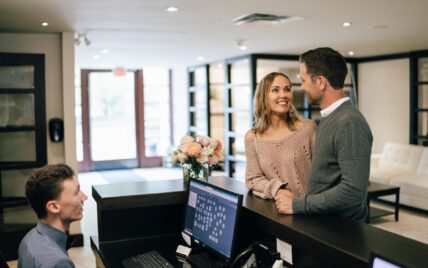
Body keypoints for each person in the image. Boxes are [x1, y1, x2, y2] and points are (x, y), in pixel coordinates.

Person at [275, 47, 373, 221]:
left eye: (303, 80)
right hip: (323, 225)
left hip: (341, 234)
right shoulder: (331, 118)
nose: (302, 87)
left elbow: (353, 192)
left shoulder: (350, 122)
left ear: (320, 82)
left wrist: (298, 205)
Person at [245, 72, 317, 201]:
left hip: (309, 211)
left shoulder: (308, 129)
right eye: (275, 90)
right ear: (264, 96)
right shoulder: (252, 137)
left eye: (287, 89)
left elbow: (324, 172)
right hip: (275, 212)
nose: (283, 95)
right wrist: (276, 190)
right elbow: (253, 179)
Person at [18, 164, 88, 268]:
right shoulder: (59, 263)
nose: (84, 197)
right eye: (76, 192)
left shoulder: (28, 239)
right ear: (54, 207)